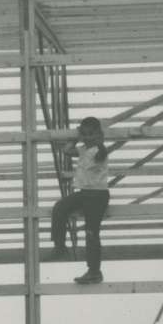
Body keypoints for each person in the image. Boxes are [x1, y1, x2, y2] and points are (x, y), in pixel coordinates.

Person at [48, 116, 110, 284]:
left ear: (97, 135)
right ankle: (60, 246)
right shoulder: (83, 149)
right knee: (60, 208)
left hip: (97, 195)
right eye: (85, 134)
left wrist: (98, 140)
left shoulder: (100, 150)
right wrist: (76, 136)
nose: (88, 137)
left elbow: (99, 155)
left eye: (91, 134)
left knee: (91, 232)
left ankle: (94, 271)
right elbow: (67, 150)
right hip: (84, 193)